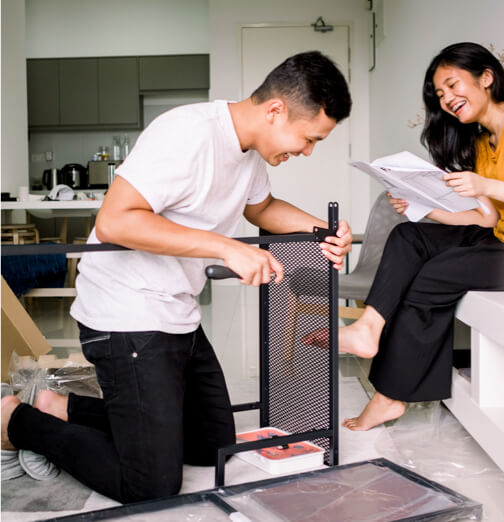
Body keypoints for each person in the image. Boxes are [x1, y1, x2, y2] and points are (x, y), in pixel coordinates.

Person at [1, 51, 353, 503]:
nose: (306, 151)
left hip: (175, 310)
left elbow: (261, 208)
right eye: (309, 139)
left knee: (212, 445)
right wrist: (226, 246)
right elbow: (115, 222)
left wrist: (321, 230)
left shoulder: (248, 154)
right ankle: (15, 421)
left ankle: (61, 406)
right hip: (125, 312)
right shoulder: (188, 134)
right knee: (151, 483)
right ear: (275, 111)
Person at [305, 41, 504, 431]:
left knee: (432, 277)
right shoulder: (481, 141)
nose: (446, 99)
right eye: (440, 94)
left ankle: (389, 398)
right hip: (500, 236)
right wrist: (425, 208)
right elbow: (486, 219)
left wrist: (485, 184)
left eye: (452, 85)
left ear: (487, 78)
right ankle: (368, 329)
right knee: (410, 236)